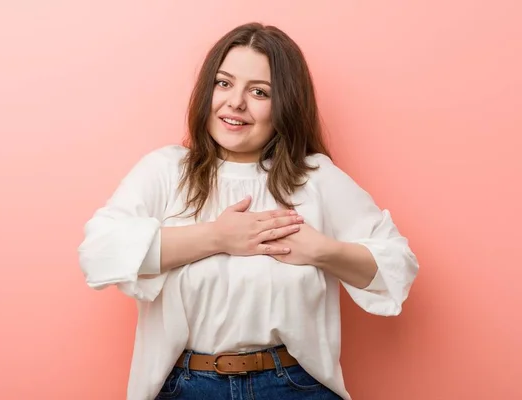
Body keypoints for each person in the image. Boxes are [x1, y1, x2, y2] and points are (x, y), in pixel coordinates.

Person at [77, 22, 419, 400]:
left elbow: (397, 266)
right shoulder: (166, 170)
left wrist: (321, 251)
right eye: (224, 83)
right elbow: (99, 252)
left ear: (285, 105)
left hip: (293, 385)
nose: (235, 102)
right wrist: (217, 237)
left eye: (259, 92)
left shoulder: (316, 178)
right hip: (186, 387)